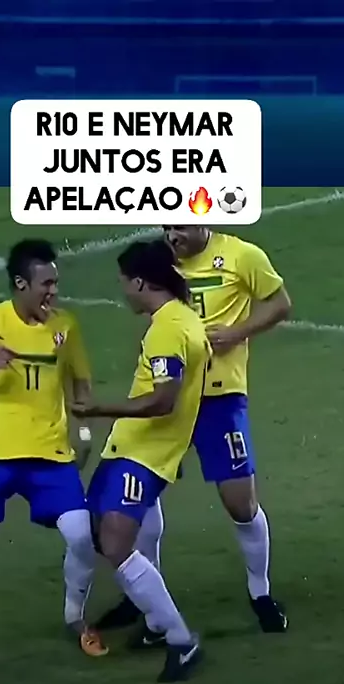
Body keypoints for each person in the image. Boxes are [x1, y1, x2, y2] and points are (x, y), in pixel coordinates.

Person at [95, 225, 292, 639]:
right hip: (171, 397)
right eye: (168, 226)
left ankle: (260, 591)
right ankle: (146, 604)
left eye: (181, 226)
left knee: (240, 502)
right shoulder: (162, 262)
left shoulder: (241, 256)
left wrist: (237, 333)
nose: (174, 235)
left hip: (219, 398)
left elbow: (280, 304)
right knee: (140, 495)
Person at [0, 239, 107, 659]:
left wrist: (84, 435)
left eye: (55, 283)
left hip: (49, 455)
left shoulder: (65, 326)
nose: (54, 291)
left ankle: (75, 619)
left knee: (81, 536)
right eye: (46, 284)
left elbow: (81, 384)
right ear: (20, 284)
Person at [72, 239, 211, 682]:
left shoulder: (167, 329)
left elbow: (164, 400)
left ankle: (181, 640)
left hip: (142, 453)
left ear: (140, 282)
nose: (122, 292)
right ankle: (153, 622)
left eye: (123, 282)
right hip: (138, 450)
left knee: (115, 544)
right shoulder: (184, 319)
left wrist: (98, 409)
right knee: (105, 532)